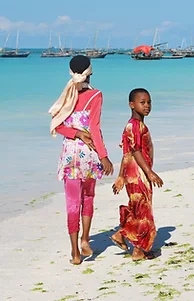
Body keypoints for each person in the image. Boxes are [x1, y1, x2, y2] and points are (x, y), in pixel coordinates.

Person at [49, 55, 114, 265]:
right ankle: (86, 239)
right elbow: (94, 128)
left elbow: (57, 125)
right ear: (90, 72)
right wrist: (104, 156)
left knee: (72, 203)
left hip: (69, 156)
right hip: (88, 156)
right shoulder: (96, 95)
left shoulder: (67, 95)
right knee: (88, 198)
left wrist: (75, 133)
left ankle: (75, 253)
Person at [111, 88, 163, 261]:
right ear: (131, 105)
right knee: (144, 210)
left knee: (138, 208)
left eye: (149, 102)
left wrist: (120, 176)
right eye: (143, 102)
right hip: (138, 174)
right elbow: (135, 150)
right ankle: (137, 248)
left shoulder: (137, 125)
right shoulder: (133, 125)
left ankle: (123, 236)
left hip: (133, 173)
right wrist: (149, 172)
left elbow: (126, 153)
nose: (147, 105)